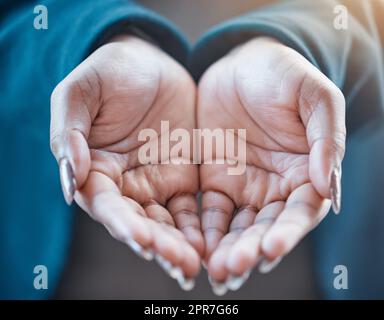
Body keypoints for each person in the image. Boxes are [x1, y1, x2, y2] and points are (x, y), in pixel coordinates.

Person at [0, 0, 382, 299]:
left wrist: (305, 45)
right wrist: (84, 44)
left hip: (313, 271)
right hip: (63, 268)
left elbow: (368, 19)